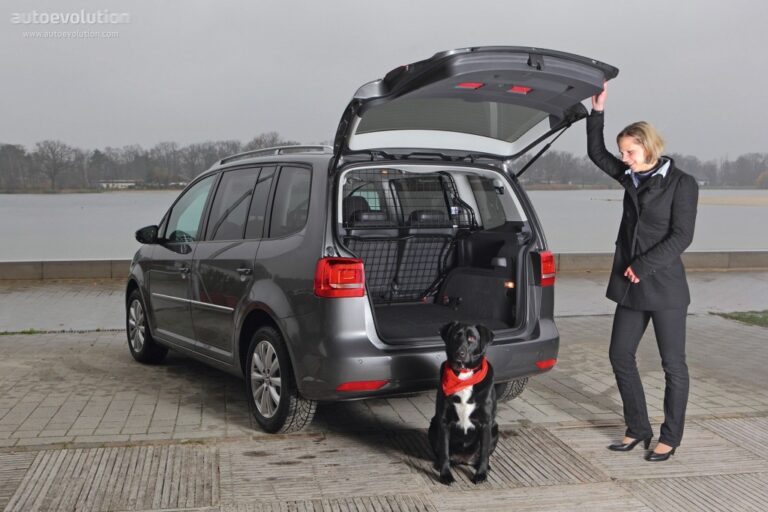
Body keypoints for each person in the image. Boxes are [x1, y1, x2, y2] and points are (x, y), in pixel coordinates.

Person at [587, 83, 698, 462]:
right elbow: (596, 154)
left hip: (665, 288)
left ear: (648, 148)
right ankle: (637, 427)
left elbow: (682, 235)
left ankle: (670, 436)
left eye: (630, 152)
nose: (625, 158)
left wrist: (642, 265)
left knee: (673, 366)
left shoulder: (682, 183)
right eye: (623, 153)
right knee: (620, 355)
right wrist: (597, 111)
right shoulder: (630, 176)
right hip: (631, 288)